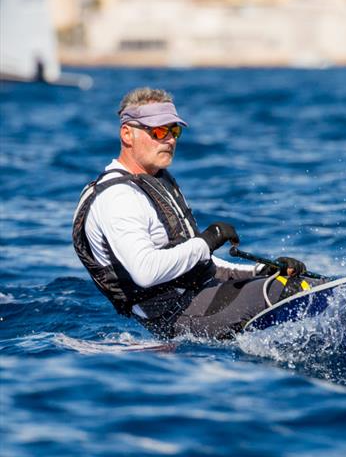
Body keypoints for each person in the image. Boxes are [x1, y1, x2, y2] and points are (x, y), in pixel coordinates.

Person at [73, 87, 309, 339]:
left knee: (296, 282)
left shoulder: (157, 181)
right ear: (127, 134)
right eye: (159, 131)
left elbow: (193, 261)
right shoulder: (118, 197)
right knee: (288, 291)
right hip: (175, 316)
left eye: (174, 131)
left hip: (199, 296)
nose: (170, 139)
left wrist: (258, 271)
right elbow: (145, 272)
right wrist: (206, 241)